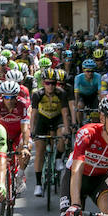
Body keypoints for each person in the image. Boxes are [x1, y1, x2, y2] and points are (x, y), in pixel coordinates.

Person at [30, 69, 70, 197]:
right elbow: (33, 114)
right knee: (40, 151)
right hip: (43, 120)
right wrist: (32, 130)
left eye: (53, 83)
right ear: (43, 83)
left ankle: (58, 158)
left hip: (57, 118)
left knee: (62, 135)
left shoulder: (61, 93)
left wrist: (67, 129)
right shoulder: (37, 94)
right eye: (48, 83)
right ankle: (38, 184)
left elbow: (65, 112)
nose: (51, 86)